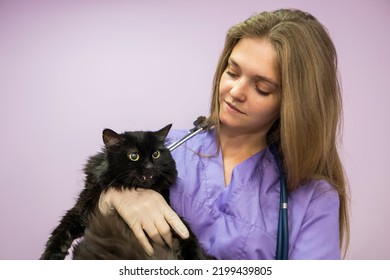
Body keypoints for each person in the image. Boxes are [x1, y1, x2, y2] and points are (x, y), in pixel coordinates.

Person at [98, 8, 350, 259]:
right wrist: (115, 198)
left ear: (295, 104)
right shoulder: (167, 149)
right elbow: (90, 217)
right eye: (232, 72)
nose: (235, 91)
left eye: (262, 88)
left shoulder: (314, 199)